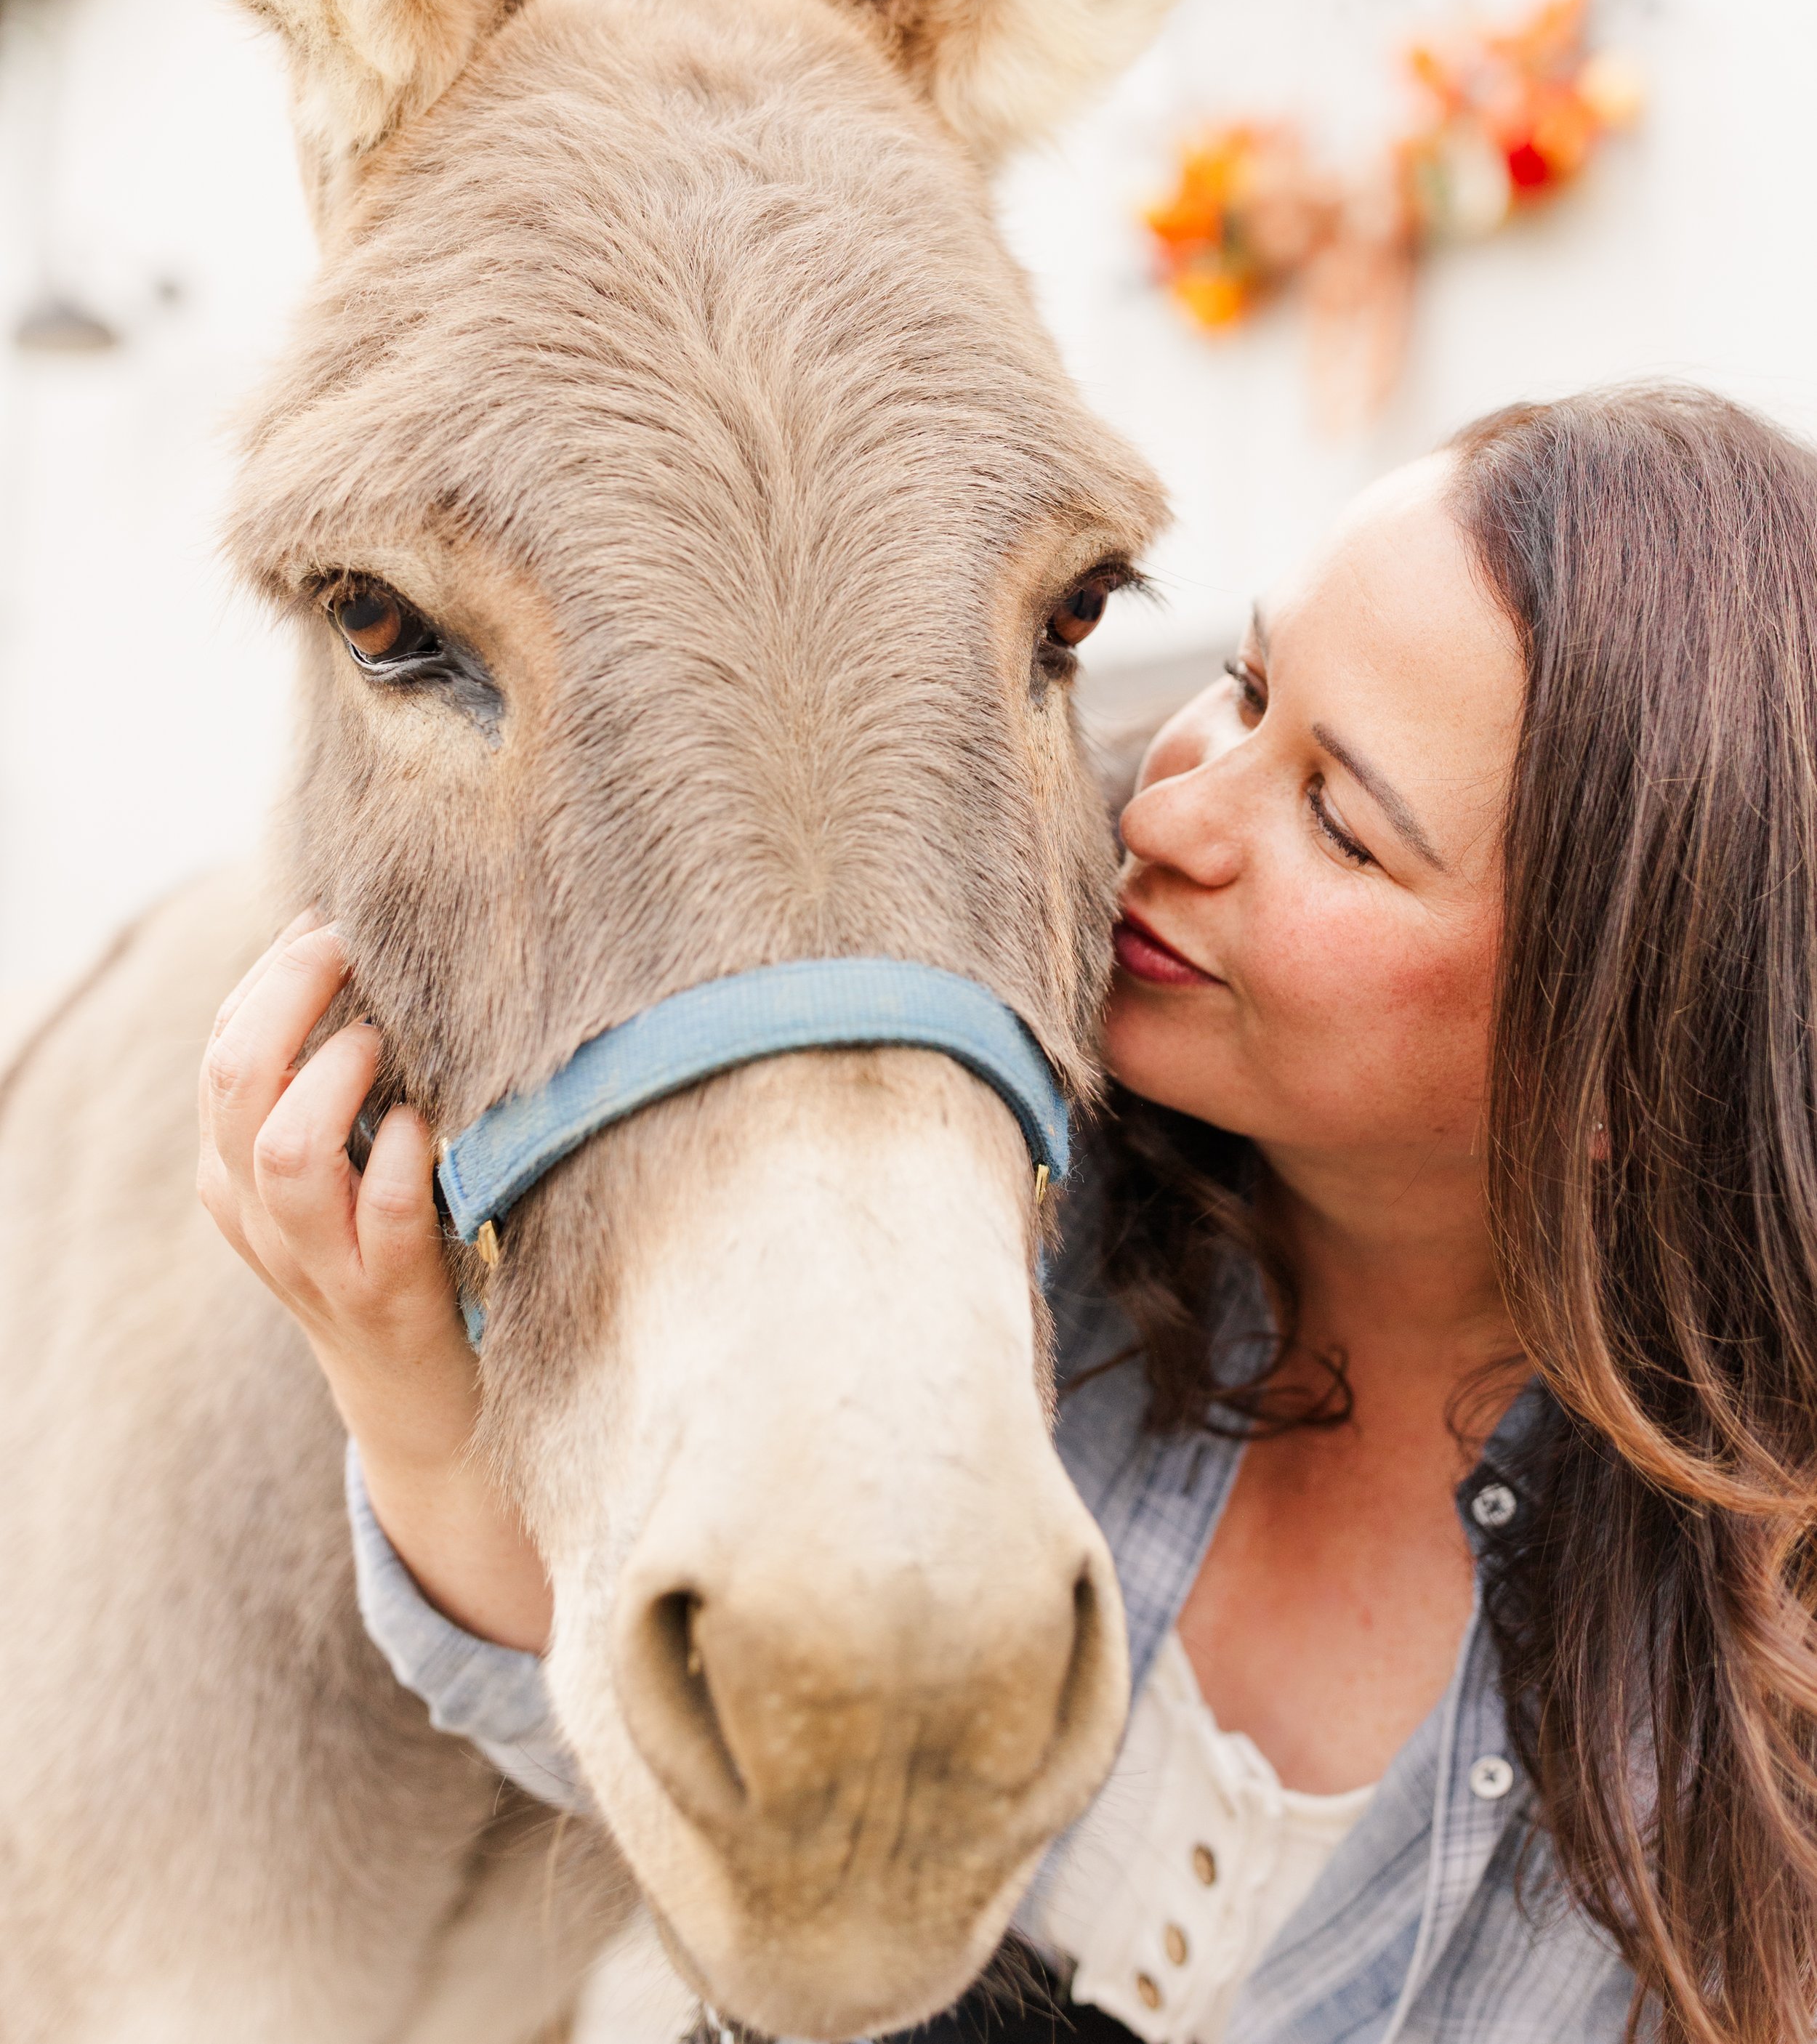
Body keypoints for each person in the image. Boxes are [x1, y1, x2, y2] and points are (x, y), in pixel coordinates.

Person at [198, 385, 1817, 2044]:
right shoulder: (983, 1188)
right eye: (1244, 687)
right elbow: (659, 1719)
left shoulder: (1763, 1700)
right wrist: (404, 1388)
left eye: (1338, 822)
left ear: (1618, 1059)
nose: (1168, 814)